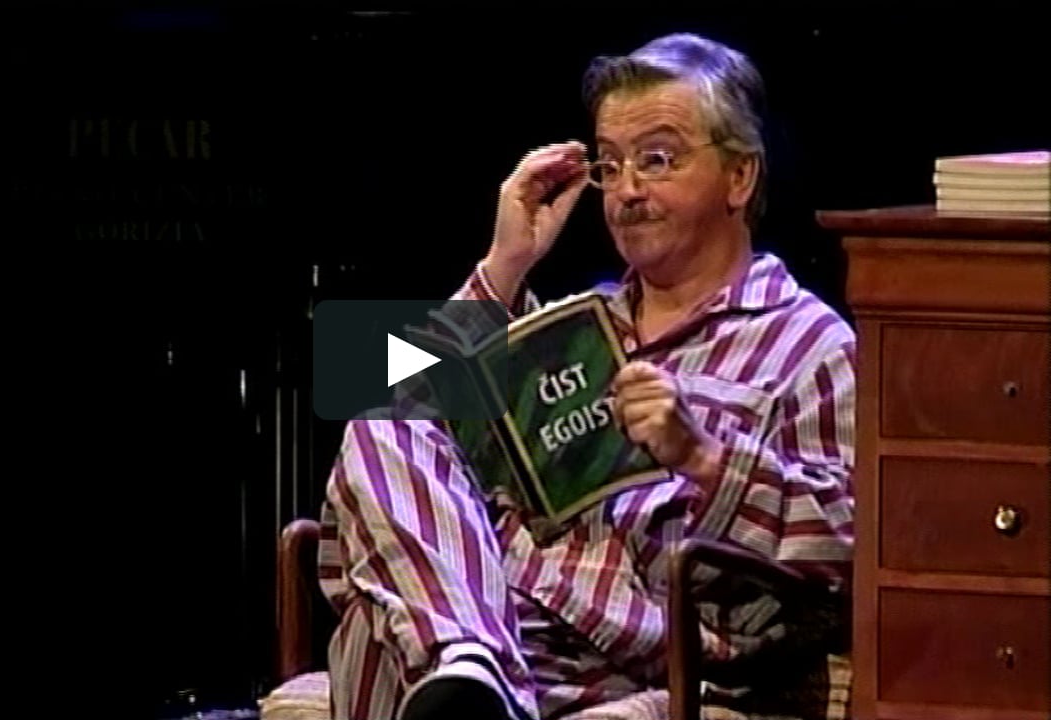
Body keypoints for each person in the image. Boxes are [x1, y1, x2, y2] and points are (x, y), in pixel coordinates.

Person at [317, 32, 855, 720]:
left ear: (739, 177)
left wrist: (704, 456)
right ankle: (469, 667)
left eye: (657, 160)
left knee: (380, 636)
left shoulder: (811, 345)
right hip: (510, 625)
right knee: (389, 415)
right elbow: (382, 419)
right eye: (610, 164)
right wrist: (505, 266)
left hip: (645, 656)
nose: (627, 190)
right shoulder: (572, 328)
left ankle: (467, 677)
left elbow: (851, 551)